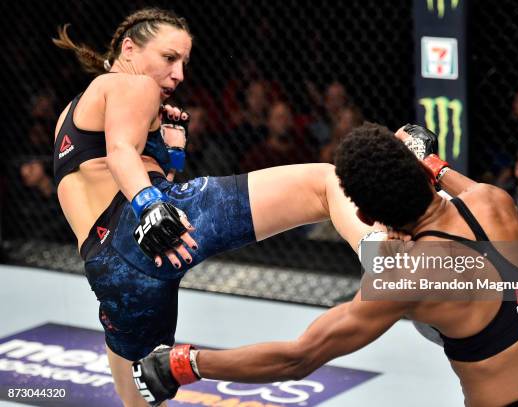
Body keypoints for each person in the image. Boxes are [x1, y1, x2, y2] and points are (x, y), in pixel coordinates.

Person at [134, 123, 518, 407]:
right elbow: (440, 173)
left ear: (367, 218)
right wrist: (427, 160)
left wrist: (185, 364)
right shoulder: (494, 200)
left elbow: (299, 358)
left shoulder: (408, 277)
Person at [52, 8, 373, 407]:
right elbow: (120, 155)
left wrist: (169, 156)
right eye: (169, 58)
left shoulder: (71, 112)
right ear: (130, 49)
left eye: (184, 62)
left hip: (110, 271)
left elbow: (114, 171)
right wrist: (151, 202)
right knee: (324, 183)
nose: (179, 74)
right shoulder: (131, 85)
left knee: (145, 392)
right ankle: (389, 265)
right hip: (141, 223)